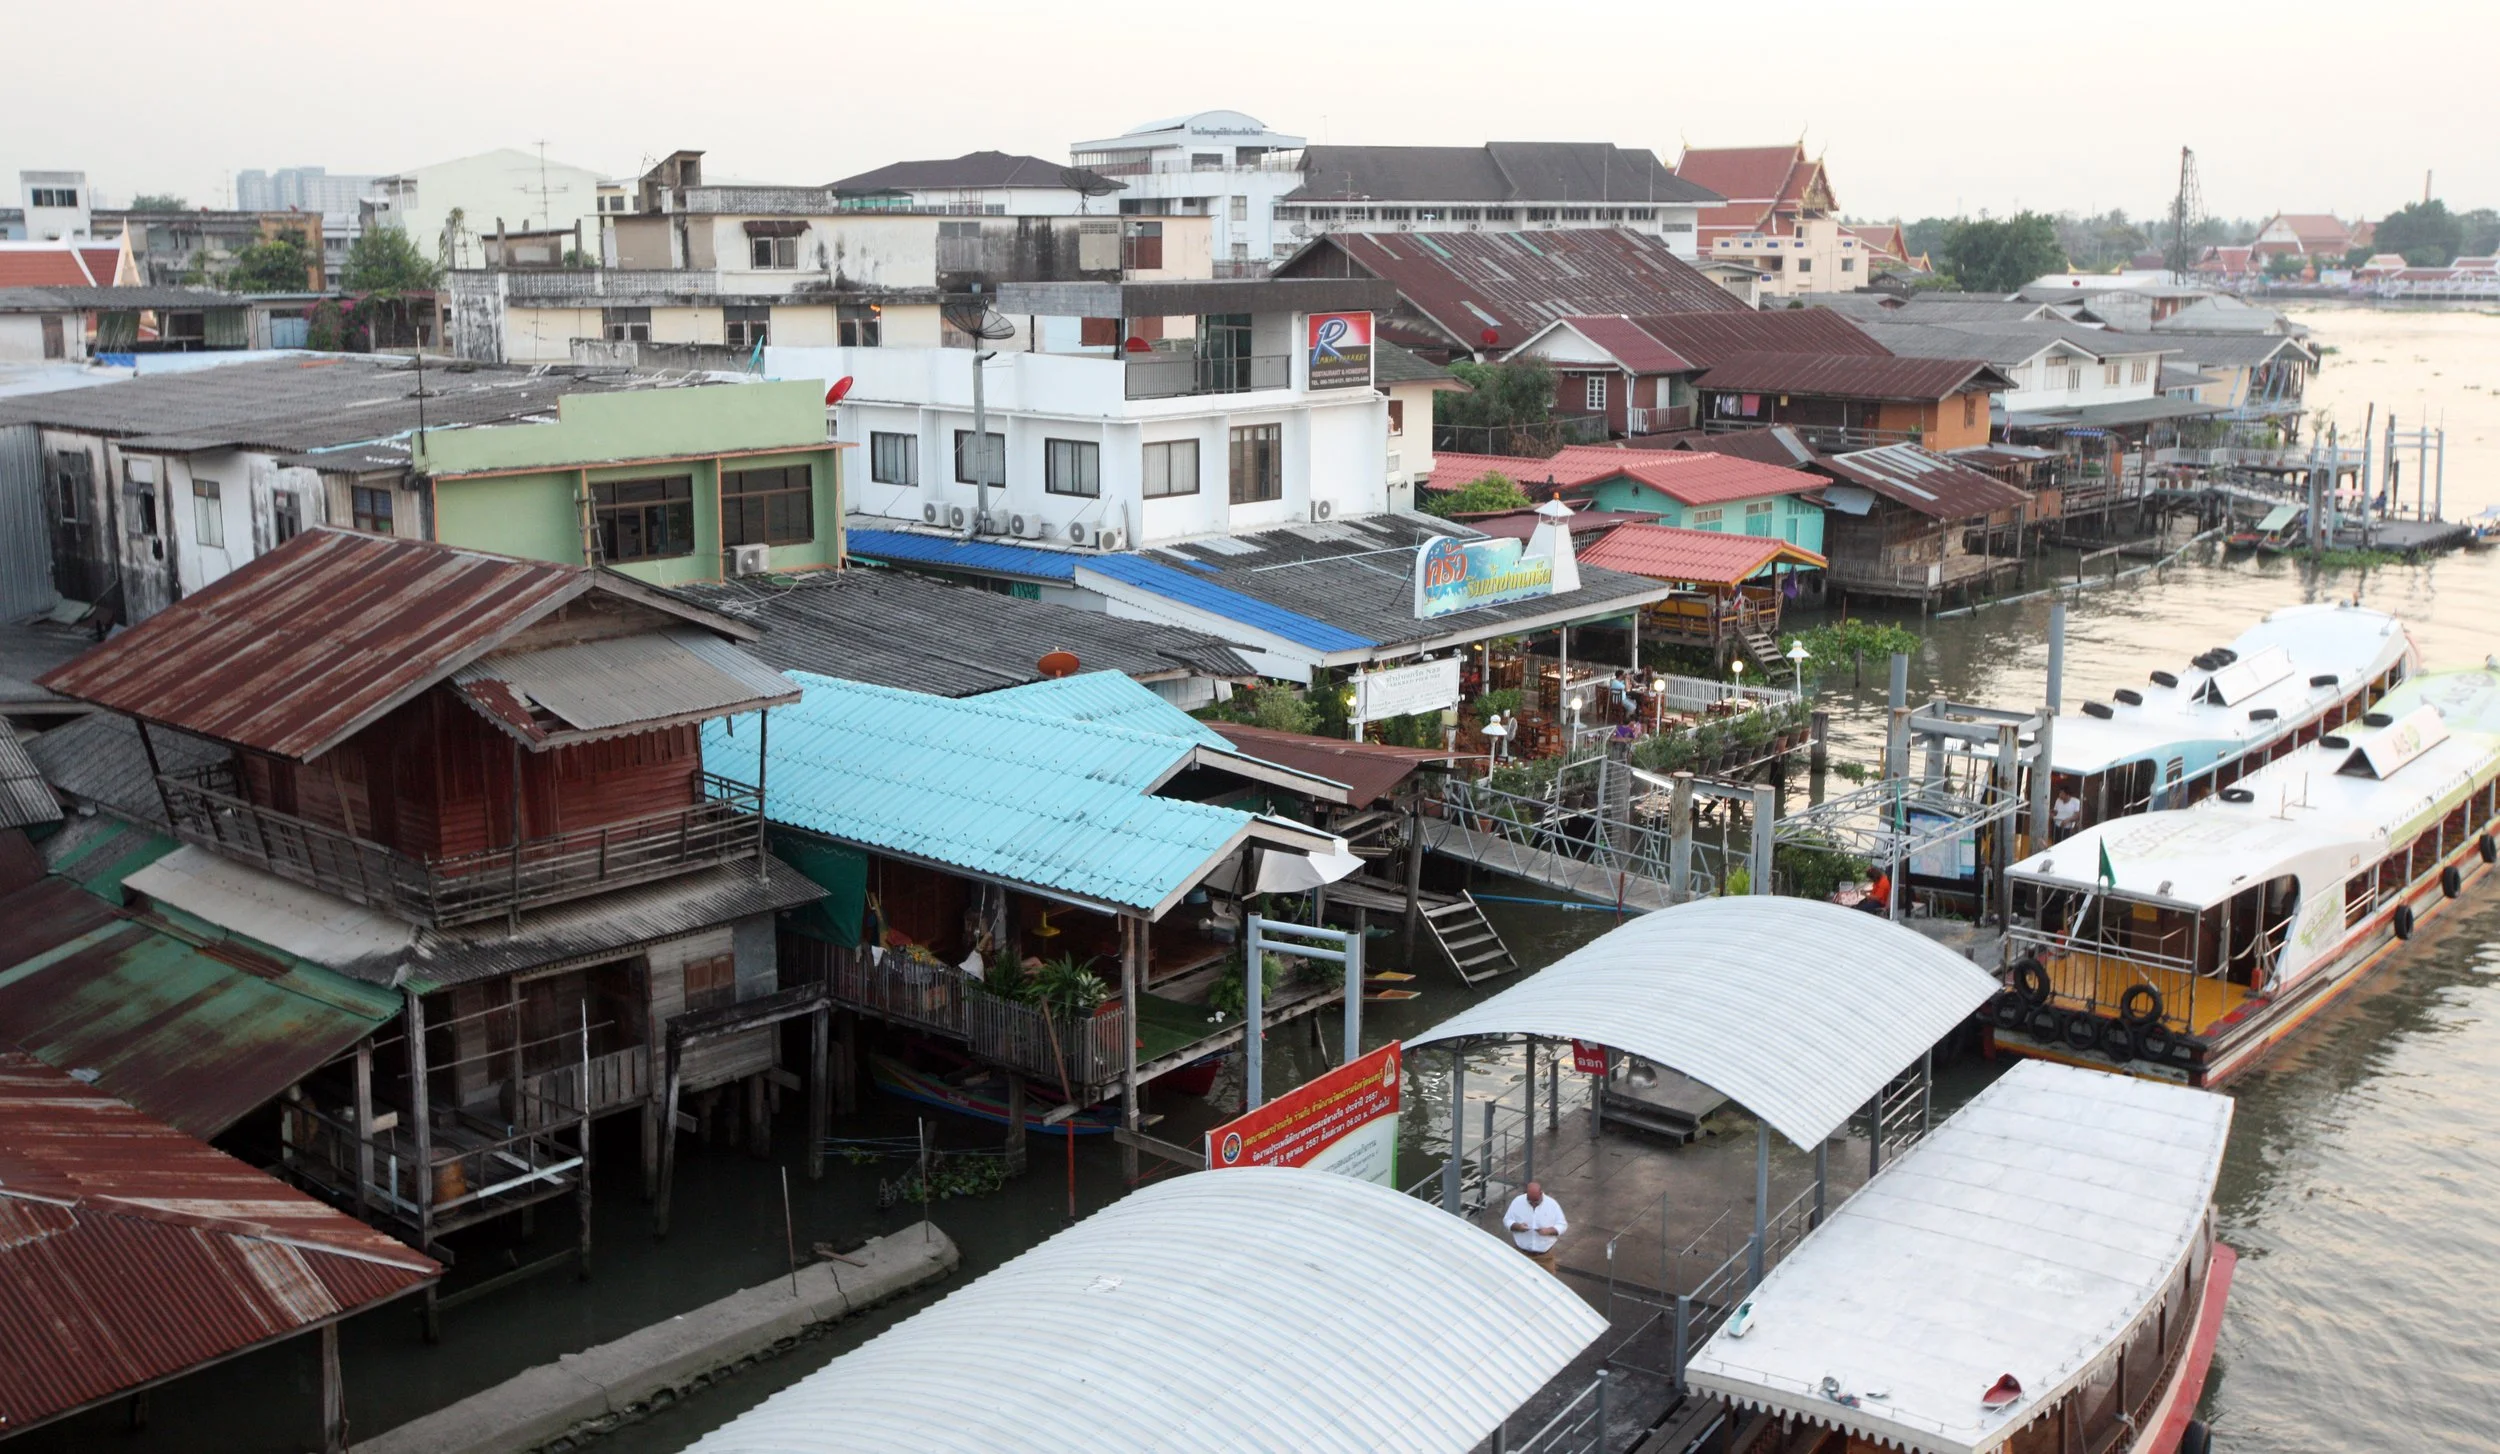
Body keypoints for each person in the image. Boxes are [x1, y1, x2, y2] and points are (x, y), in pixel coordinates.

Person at [1505, 1181, 1568, 1272]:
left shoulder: (1552, 1204)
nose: (1533, 1204)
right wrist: (1517, 1226)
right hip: (1521, 1254)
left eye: (1536, 1201)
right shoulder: (1517, 1201)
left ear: (1541, 1193)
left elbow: (1562, 1225)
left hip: (1544, 1257)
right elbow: (1507, 1220)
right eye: (1530, 1201)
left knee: (1546, 1283)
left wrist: (1549, 1231)